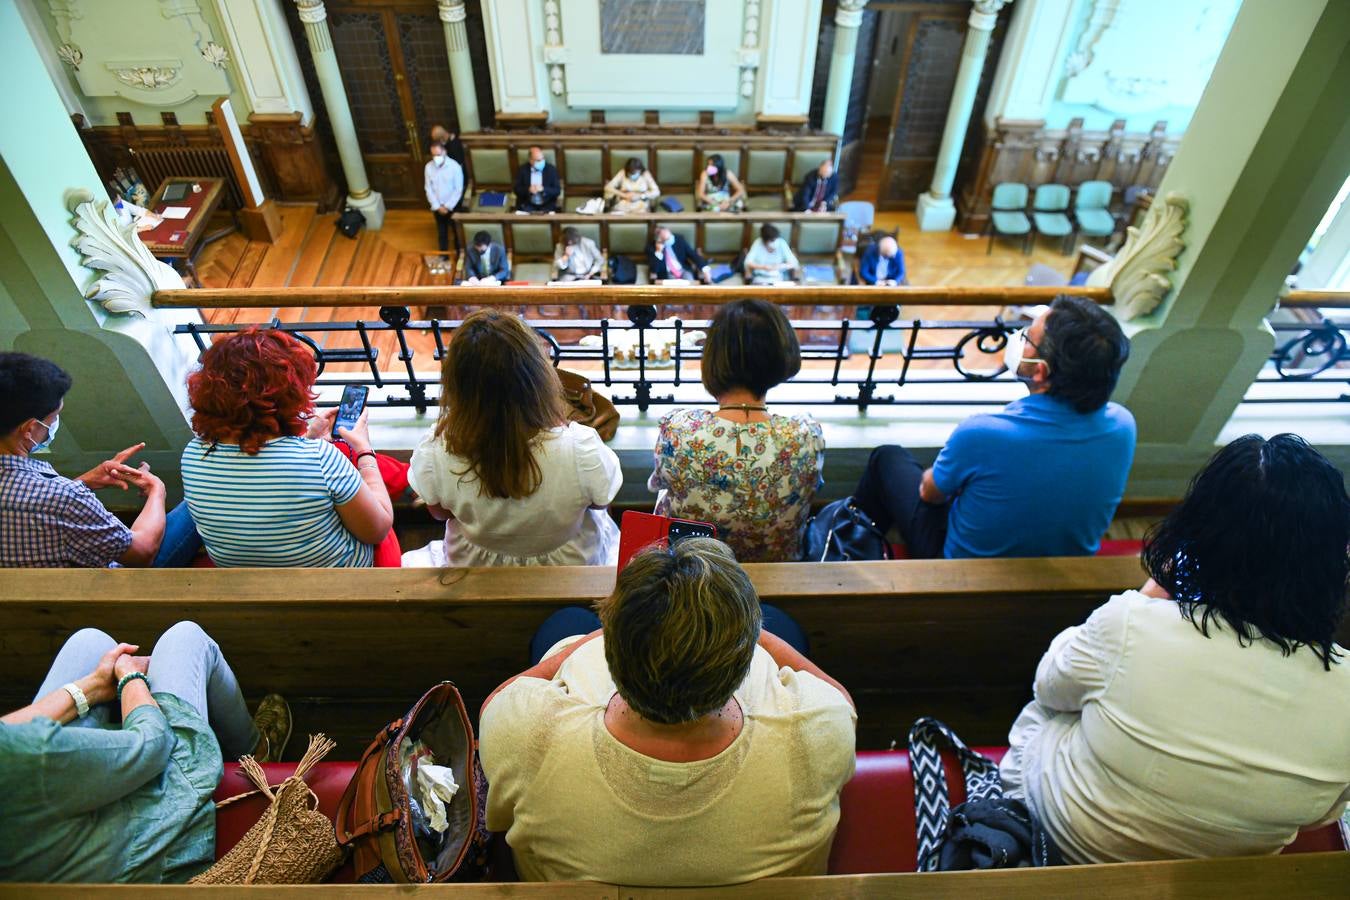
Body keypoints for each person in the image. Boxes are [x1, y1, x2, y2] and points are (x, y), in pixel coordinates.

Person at [1002, 433, 1350, 863]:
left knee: (1061, 703)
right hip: (1216, 872)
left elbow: (1049, 687)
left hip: (1065, 837)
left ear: (1198, 533)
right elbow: (1325, 811)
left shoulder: (1130, 624)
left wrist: (1147, 597)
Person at [479, 537, 856, 885]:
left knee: (564, 625)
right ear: (741, 665)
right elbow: (841, 701)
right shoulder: (817, 731)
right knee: (785, 624)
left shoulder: (526, 735)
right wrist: (742, 629)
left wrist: (613, 629)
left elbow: (497, 701)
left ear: (613, 654)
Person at [0, 622, 291, 882]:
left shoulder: (22, 752)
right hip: (145, 848)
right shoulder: (30, 757)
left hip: (53, 839)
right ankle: (257, 750)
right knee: (183, 638)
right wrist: (129, 678)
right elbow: (152, 744)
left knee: (88, 642)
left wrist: (91, 686)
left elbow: (10, 732)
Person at [853, 295, 1135, 559]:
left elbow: (930, 493)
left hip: (964, 575)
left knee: (887, 458)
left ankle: (850, 542)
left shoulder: (983, 433)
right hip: (1062, 572)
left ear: (1040, 371)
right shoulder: (1123, 426)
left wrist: (942, 476)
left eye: (1027, 339)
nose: (1019, 341)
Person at [405, 309, 622, 567]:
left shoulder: (439, 448)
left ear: (457, 386)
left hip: (476, 568)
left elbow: (439, 514)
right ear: (538, 379)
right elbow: (601, 502)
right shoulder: (579, 448)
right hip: (568, 567)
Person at [180, 328, 401, 567]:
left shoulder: (193, 454)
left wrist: (308, 438)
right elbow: (377, 530)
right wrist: (364, 451)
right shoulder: (321, 459)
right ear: (289, 393)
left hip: (249, 581)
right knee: (378, 510)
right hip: (336, 586)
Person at [650, 300, 823, 562]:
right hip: (779, 571)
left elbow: (658, 486)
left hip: (696, 578)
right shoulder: (806, 435)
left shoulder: (679, 430)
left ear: (712, 358)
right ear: (781, 356)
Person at [0, 352, 200, 568]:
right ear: (30, 429)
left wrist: (84, 482)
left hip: (19, 597)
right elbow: (142, 552)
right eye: (55, 417)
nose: (56, 422)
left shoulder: (60, 496)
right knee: (195, 505)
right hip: (99, 595)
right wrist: (157, 491)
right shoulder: (65, 499)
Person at [424, 141, 464, 257]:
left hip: (452, 205)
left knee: (456, 231)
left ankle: (458, 255)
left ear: (444, 152)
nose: (436, 157)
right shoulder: (428, 167)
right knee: (442, 232)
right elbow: (428, 188)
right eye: (433, 155)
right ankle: (443, 255)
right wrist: (437, 206)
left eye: (438, 154)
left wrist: (447, 206)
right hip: (437, 206)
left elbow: (458, 189)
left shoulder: (455, 167)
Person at [645, 225, 710, 283]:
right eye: (666, 239)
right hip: (667, 274)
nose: (670, 239)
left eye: (670, 236)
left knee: (690, 284)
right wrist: (658, 252)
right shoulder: (651, 248)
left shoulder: (679, 239)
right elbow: (654, 269)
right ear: (659, 240)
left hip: (683, 270)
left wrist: (705, 269)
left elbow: (693, 255)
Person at [514, 146, 561, 214]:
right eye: (538, 160)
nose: (542, 162)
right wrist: (528, 189)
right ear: (530, 160)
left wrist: (543, 189)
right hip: (527, 205)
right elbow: (516, 190)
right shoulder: (522, 170)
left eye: (543, 159)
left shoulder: (551, 170)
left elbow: (557, 191)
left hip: (547, 205)